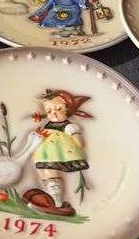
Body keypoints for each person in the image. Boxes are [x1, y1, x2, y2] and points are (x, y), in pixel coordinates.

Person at [23, 89, 92, 217]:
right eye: (49, 111)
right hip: (45, 155)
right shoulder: (48, 125)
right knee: (43, 173)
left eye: (58, 109)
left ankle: (56, 202)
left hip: (60, 155)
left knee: (51, 172)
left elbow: (80, 143)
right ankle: (49, 197)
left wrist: (72, 138)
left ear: (67, 109)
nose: (53, 113)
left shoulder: (69, 127)